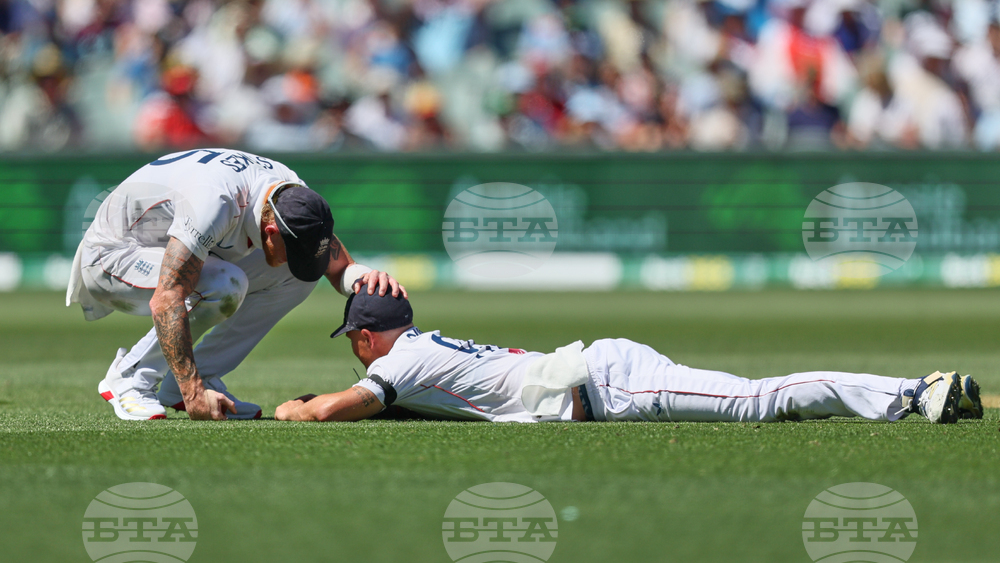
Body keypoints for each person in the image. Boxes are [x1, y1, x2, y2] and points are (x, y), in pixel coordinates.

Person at [276, 291, 983, 425]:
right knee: (753, 397)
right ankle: (912, 392)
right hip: (599, 374)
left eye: (355, 340)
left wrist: (299, 409)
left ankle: (914, 393)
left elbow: (344, 408)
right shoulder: (422, 351)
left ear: (368, 337)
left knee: (758, 400)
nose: (356, 352)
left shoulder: (397, 365)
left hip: (612, 386)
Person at [67, 148, 406, 421]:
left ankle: (195, 376)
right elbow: (167, 297)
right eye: (292, 252)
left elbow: (325, 253)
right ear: (271, 233)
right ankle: (131, 376)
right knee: (224, 284)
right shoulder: (215, 203)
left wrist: (361, 277)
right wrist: (194, 393)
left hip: (167, 245)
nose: (294, 260)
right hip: (112, 254)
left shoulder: (288, 191)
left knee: (298, 278)